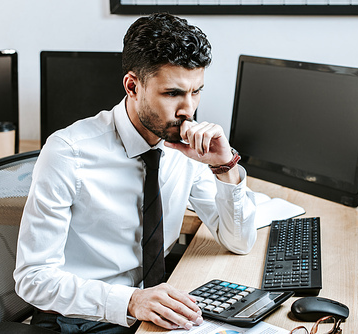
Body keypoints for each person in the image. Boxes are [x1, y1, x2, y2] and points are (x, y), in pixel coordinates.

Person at [14, 12, 257, 333]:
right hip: (83, 316)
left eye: (196, 91)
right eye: (173, 93)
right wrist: (130, 301)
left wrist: (224, 167)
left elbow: (239, 242)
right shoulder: (68, 152)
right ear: (132, 86)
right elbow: (32, 279)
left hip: (154, 305)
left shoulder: (185, 144)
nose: (189, 109)